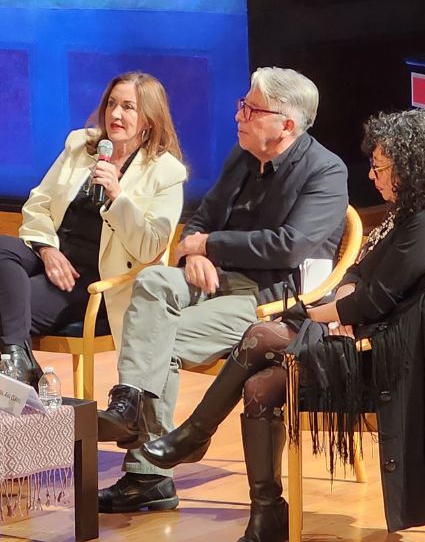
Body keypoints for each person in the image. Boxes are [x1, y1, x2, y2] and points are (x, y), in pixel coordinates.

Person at [137, 109, 425, 542]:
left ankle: (195, 433)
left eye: (381, 167)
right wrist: (341, 303)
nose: (373, 176)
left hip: (389, 360)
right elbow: (359, 276)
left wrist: (315, 314)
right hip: (364, 333)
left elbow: (373, 300)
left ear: (413, 167)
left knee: (260, 334)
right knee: (260, 386)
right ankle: (266, 511)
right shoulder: (408, 215)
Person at [96, 67, 348, 513]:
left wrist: (210, 244)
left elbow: (289, 247)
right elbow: (202, 217)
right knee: (153, 279)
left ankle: (148, 476)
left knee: (157, 342)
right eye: (241, 105)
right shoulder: (244, 156)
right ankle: (128, 402)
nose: (239, 116)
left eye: (251, 109)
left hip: (268, 299)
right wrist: (194, 253)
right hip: (211, 278)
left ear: (286, 124)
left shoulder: (325, 171)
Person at [0, 72, 187, 386]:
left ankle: (24, 381)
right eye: (112, 104)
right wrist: (48, 251)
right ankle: (25, 370)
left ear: (148, 120)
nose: (116, 114)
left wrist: (118, 196)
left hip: (96, 279)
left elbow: (150, 247)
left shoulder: (166, 171)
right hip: (55, 256)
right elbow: (39, 203)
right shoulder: (81, 146)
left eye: (129, 107)